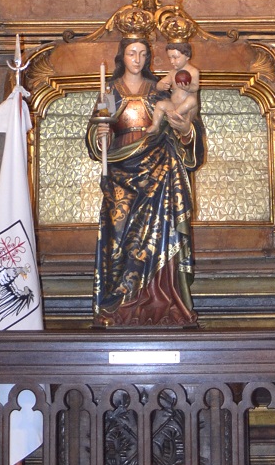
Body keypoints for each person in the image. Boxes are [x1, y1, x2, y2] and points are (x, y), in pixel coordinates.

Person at [87, 35, 205, 327]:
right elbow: (97, 134)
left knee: (159, 232)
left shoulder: (158, 89)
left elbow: (186, 126)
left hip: (158, 168)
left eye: (142, 53)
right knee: (120, 236)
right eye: (131, 53)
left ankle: (160, 301)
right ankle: (119, 303)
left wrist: (185, 129)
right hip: (121, 172)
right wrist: (100, 137)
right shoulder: (110, 91)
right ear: (122, 57)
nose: (137, 59)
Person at [154, 37, 200, 128]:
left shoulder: (193, 71)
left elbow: (195, 87)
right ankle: (155, 125)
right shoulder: (172, 73)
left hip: (187, 108)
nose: (172, 61)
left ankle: (176, 114)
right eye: (170, 58)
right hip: (174, 105)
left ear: (187, 56)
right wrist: (162, 86)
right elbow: (158, 85)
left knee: (192, 100)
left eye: (175, 57)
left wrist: (188, 88)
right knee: (160, 105)